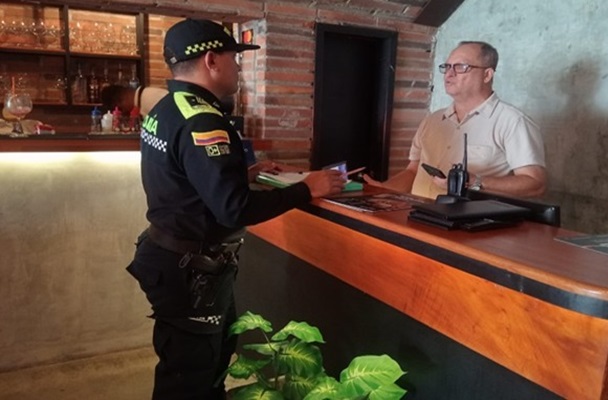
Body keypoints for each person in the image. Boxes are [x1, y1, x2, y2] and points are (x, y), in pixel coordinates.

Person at [125, 18, 346, 400]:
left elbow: (181, 177)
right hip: (190, 271)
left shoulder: (167, 107)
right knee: (190, 378)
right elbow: (234, 210)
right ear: (211, 60)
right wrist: (306, 189)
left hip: (173, 259)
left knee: (198, 366)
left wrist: (238, 174)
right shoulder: (203, 119)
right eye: (234, 58)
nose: (239, 68)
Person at [364, 41, 546, 199]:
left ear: (487, 75)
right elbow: (413, 171)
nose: (449, 74)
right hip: (417, 216)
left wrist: (475, 181)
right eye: (447, 66)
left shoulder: (512, 121)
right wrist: (383, 189)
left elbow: (535, 184)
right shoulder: (433, 120)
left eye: (461, 67)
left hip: (469, 224)